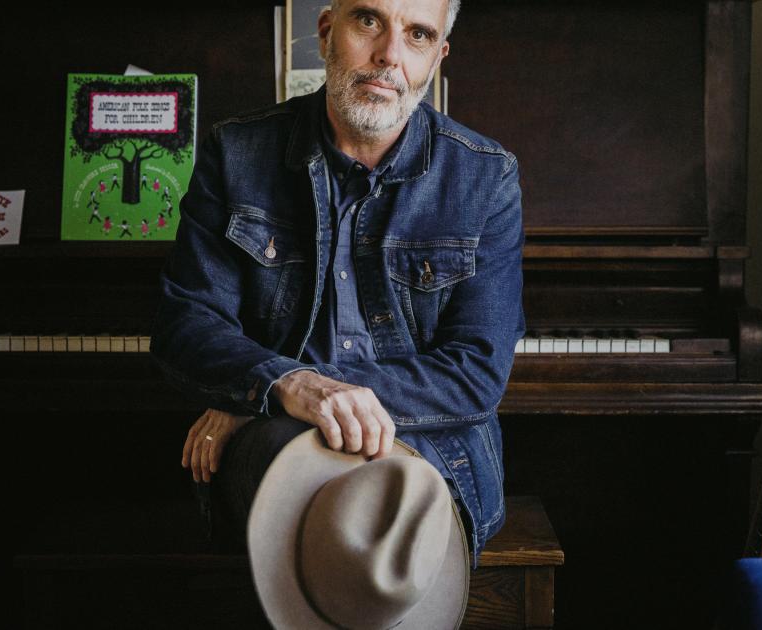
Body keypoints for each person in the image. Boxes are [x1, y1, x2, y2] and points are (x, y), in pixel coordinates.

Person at [151, 0, 523, 567]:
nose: (389, 55)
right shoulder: (236, 153)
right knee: (308, 511)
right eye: (368, 21)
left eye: (418, 35)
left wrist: (273, 390)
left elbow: (475, 372)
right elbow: (186, 324)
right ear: (326, 32)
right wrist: (277, 390)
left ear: (437, 59)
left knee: (364, 541)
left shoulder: (485, 176)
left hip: (430, 445)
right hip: (279, 449)